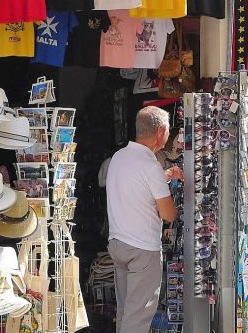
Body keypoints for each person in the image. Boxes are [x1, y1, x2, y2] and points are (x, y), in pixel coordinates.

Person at [106, 106, 183, 333]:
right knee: (137, 318)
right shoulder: (150, 166)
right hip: (142, 249)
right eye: (168, 131)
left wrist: (164, 177)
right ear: (160, 132)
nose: (169, 136)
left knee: (125, 313)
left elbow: (136, 188)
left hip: (118, 244)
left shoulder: (119, 157)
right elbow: (168, 214)